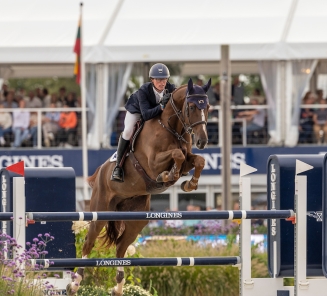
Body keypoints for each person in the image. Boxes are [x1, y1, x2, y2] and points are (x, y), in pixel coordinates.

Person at [111, 63, 176, 182]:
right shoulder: (143, 90)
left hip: (155, 111)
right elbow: (146, 115)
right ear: (152, 80)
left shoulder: (171, 88)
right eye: (158, 80)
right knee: (127, 131)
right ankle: (118, 167)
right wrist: (161, 106)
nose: (162, 83)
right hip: (137, 111)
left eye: (164, 79)